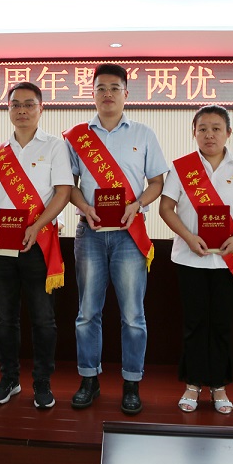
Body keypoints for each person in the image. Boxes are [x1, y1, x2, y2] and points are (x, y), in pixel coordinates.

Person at [64, 63, 168, 415]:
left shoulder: (143, 134)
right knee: (87, 313)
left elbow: (157, 182)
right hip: (90, 232)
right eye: (100, 88)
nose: (107, 94)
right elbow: (68, 186)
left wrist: (137, 204)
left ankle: (131, 383)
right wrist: (85, 208)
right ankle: (89, 380)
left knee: (133, 315)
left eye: (114, 88)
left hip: (129, 234)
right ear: (92, 94)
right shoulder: (77, 136)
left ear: (126, 93)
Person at [159, 105, 233, 415]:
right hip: (191, 258)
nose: (209, 134)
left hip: (229, 259)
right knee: (194, 323)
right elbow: (166, 208)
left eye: (216, 128)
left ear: (228, 133)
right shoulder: (181, 168)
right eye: (202, 128)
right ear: (194, 133)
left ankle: (219, 385)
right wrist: (189, 237)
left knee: (221, 324)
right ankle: (192, 384)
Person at [0, 82, 72, 409]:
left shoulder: (55, 147)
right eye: (16, 105)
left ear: (41, 108)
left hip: (39, 243)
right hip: (2, 246)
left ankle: (42, 382)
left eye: (29, 104)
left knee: (43, 319)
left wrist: (37, 225)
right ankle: (9, 378)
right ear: (8, 109)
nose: (22, 110)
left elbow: (63, 192)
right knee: (4, 319)